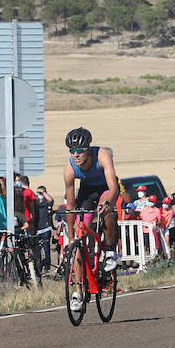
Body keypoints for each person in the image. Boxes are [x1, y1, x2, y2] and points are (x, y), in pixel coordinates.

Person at [61, 127, 122, 314]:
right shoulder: (70, 168)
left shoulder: (102, 155)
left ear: (88, 149)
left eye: (80, 150)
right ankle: (78, 293)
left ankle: (110, 251)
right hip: (86, 191)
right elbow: (71, 205)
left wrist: (107, 202)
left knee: (108, 210)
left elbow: (113, 188)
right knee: (80, 233)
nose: (76, 154)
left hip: (106, 187)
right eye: (72, 151)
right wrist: (71, 238)